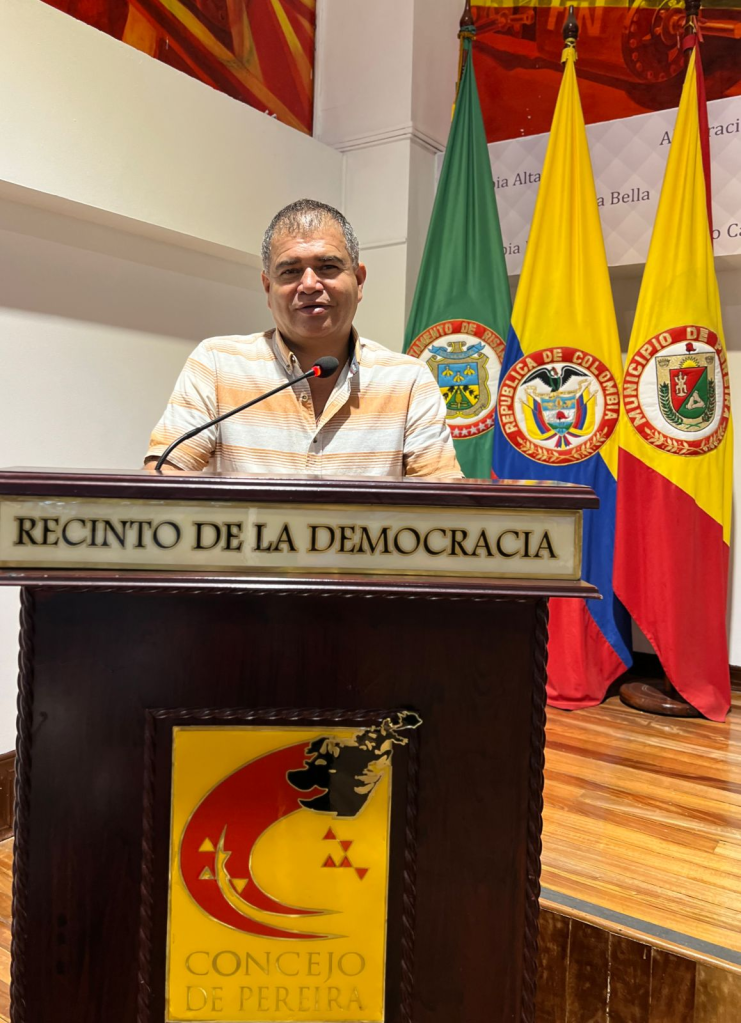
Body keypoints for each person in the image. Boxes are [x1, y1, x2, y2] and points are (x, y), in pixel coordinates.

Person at [144, 199, 461, 478]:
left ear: (359, 281)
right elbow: (165, 479)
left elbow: (443, 502)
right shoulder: (217, 364)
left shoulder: (408, 380)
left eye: (327, 267)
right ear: (268, 288)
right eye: (290, 271)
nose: (309, 284)